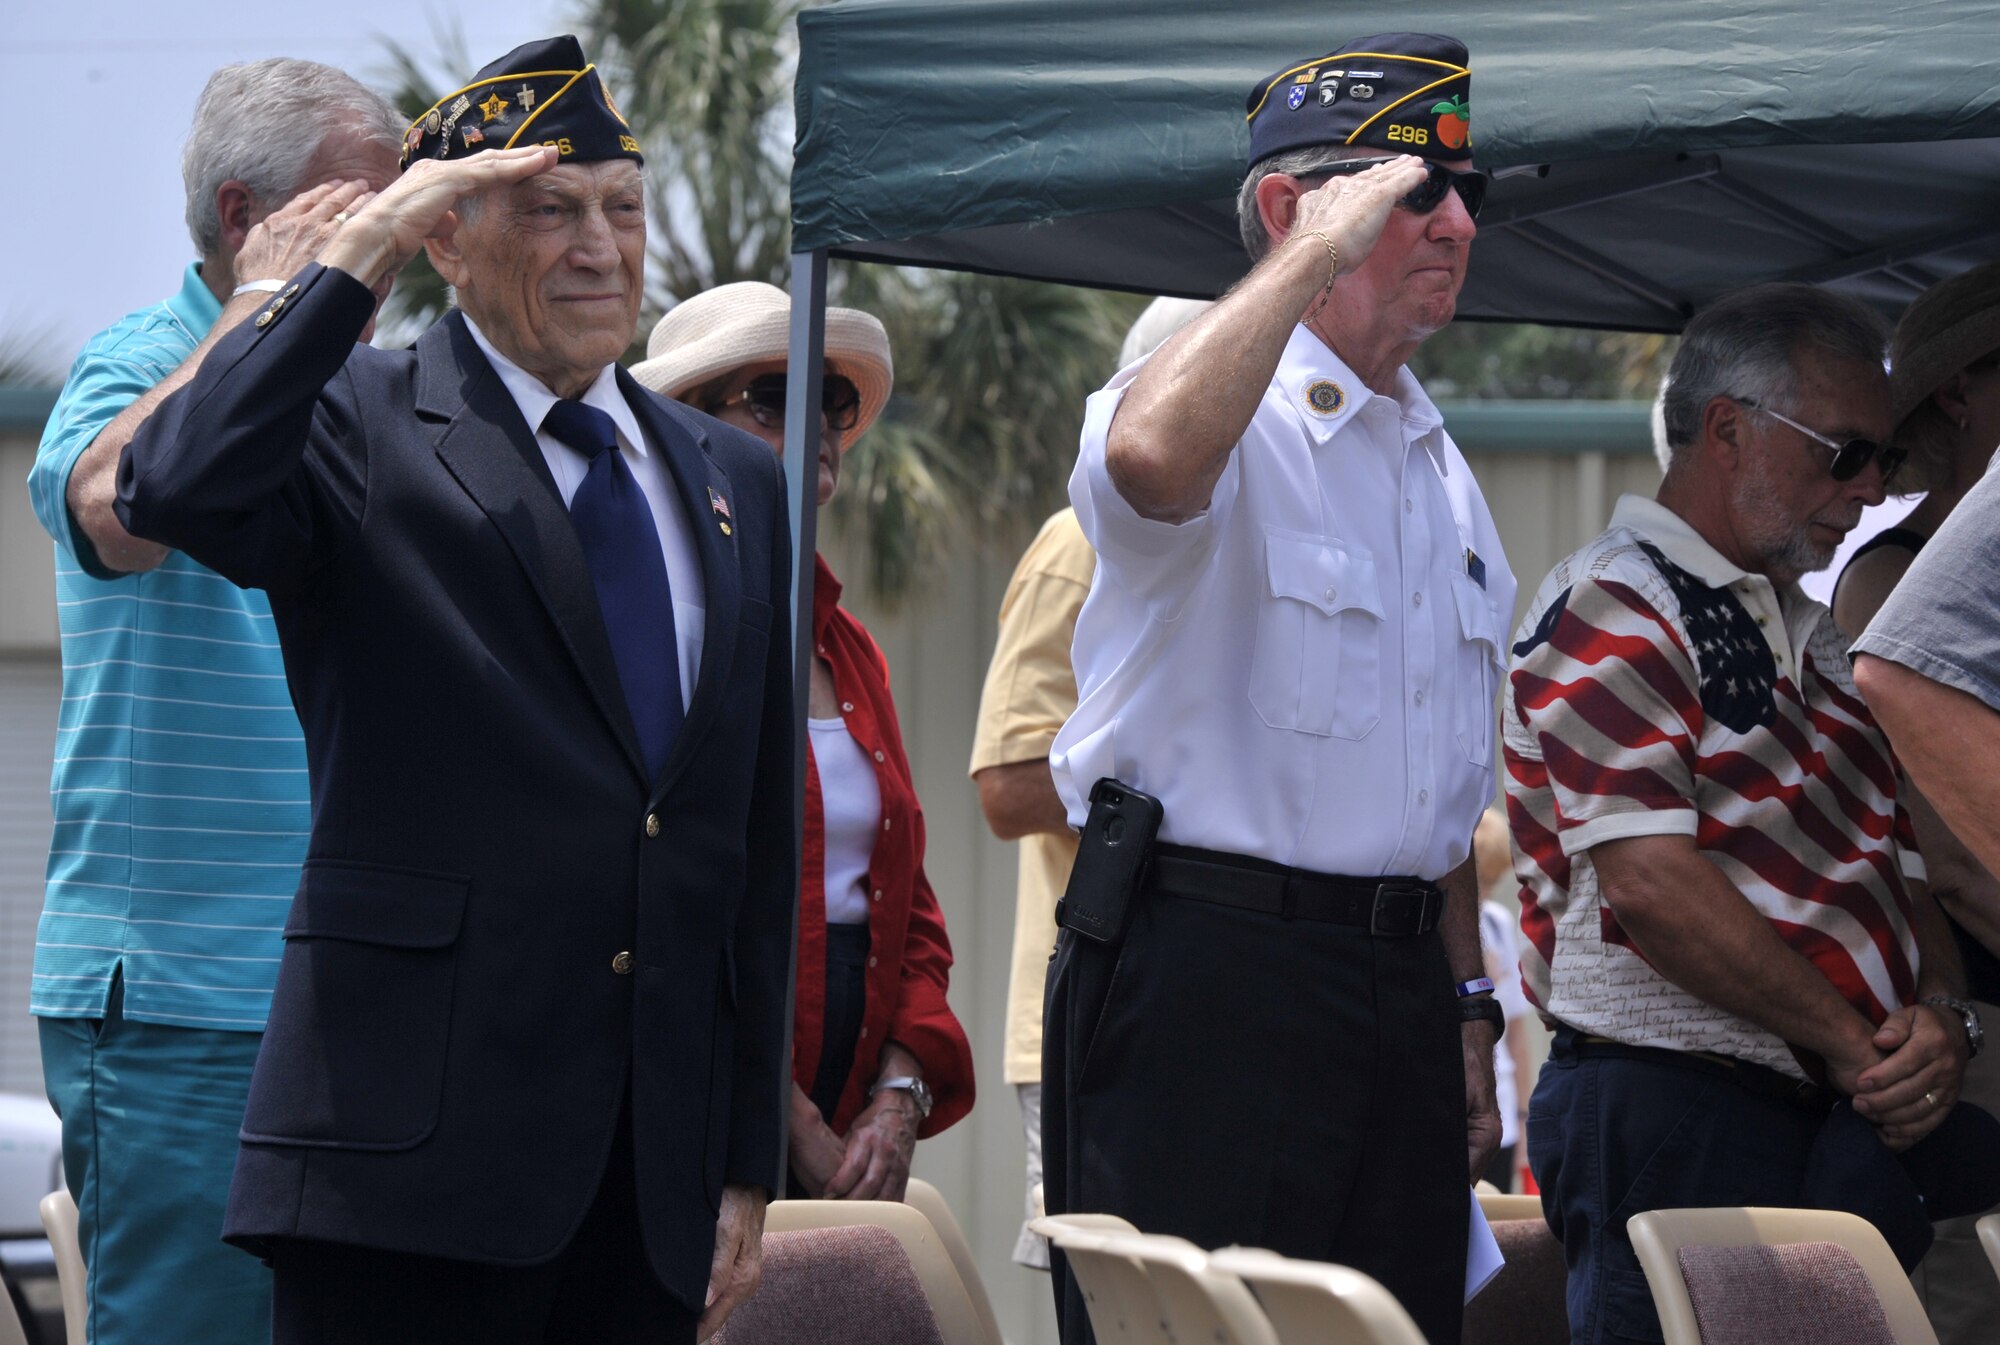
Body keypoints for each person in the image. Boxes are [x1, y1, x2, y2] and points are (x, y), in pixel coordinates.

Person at [110, 37, 794, 1344]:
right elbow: (174, 486)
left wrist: (741, 1153)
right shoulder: (357, 417)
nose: (600, 247)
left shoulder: (732, 477)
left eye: (623, 209)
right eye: (549, 209)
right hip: (402, 1171)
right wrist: (342, 260)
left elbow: (750, 839)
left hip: (644, 1184)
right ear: (447, 240)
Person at [1043, 34, 1515, 1345]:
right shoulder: (1213, 409)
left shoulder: (1436, 460)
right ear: (1283, 206)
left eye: (1472, 192)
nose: (1459, 222)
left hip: (1401, 984)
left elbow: (1434, 787)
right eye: (1415, 192)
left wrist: (1469, 1005)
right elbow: (1145, 460)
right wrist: (1310, 254)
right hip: (1210, 971)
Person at [1506, 283, 1976, 1345]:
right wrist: (1863, 1050)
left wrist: (1942, 1023)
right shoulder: (1614, 597)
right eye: (1843, 453)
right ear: (1726, 427)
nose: (1867, 492)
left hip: (1806, 1108)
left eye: (1886, 462)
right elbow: (1650, 882)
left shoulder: (1810, 632)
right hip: (1676, 1101)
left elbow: (1894, 875)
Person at [24, 59, 402, 1345]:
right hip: (184, 1002)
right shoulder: (140, 358)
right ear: (248, 218)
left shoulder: (363, 393)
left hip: (328, 993)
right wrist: (260, 320)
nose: (382, 260)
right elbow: (110, 508)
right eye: (359, 221)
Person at [632, 281, 974, 1203]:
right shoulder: (660, 623)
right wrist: (766, 1109)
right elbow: (645, 892)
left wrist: (899, 1094)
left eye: (831, 399)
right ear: (688, 425)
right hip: (688, 1105)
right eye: (773, 397)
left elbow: (912, 904)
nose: (818, 423)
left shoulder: (847, 644)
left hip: (848, 1098)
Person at [968, 295, 1207, 1270]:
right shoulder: (1080, 544)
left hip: (1214, 1007)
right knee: (1117, 1303)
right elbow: (1006, 785)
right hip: (1103, 1016)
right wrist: (1184, 778)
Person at [1837, 263, 2000, 1345]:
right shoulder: (1893, 580)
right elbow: (1940, 850)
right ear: (1958, 392)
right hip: (1980, 1012)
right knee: (1968, 1291)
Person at [1471, 808, 1535, 1192]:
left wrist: (1524, 1117)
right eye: (1481, 884)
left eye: (1493, 885)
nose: (1486, 896)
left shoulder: (1496, 921)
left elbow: (1516, 1030)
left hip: (1504, 1108)